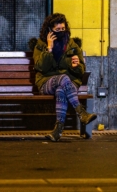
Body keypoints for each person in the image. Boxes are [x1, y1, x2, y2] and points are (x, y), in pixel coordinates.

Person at [32, 13, 97, 142]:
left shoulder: (72, 45)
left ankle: (57, 131)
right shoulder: (40, 46)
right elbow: (41, 68)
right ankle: (81, 113)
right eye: (58, 30)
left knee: (61, 89)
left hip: (68, 84)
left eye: (63, 29)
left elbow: (81, 72)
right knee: (63, 78)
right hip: (46, 82)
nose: (61, 32)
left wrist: (76, 66)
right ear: (50, 31)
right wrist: (49, 48)